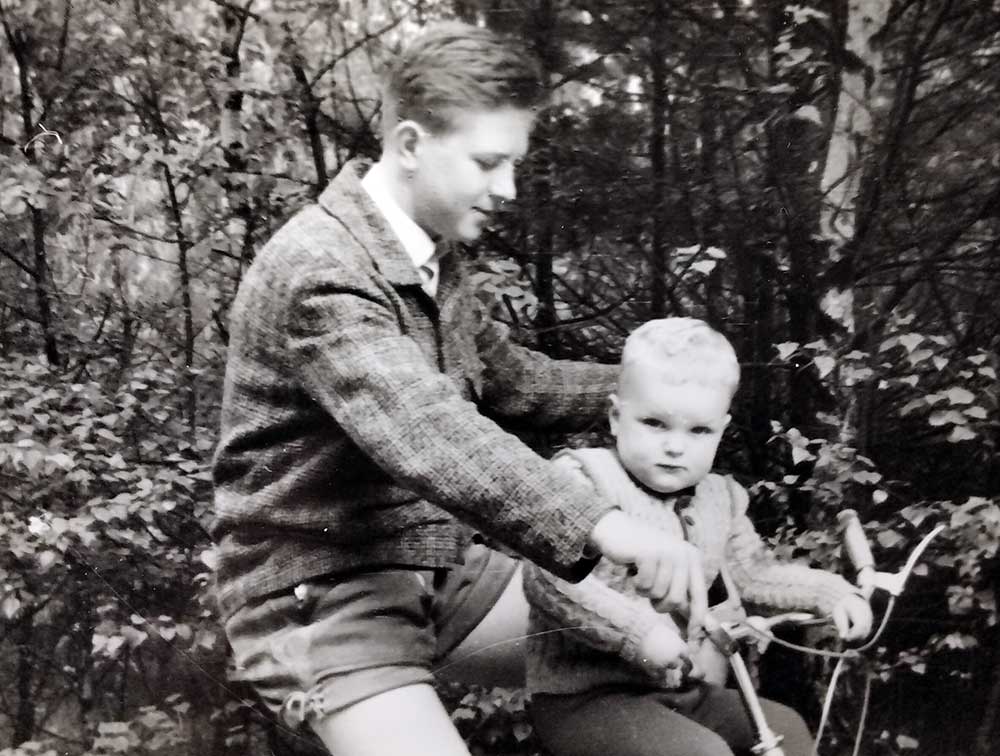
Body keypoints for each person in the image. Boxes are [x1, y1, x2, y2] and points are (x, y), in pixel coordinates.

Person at [210, 22, 707, 756]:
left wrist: (663, 395)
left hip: (438, 575)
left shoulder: (432, 256)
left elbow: (514, 381)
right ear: (410, 144)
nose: (506, 188)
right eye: (488, 163)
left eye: (514, 164)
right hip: (319, 594)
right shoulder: (323, 268)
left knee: (666, 647)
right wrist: (605, 523)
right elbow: (429, 431)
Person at [523, 317, 874, 756]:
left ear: (721, 431)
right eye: (655, 423)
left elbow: (753, 574)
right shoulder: (584, 478)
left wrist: (831, 595)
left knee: (787, 729)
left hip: (680, 693)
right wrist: (640, 632)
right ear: (616, 417)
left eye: (698, 431)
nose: (675, 446)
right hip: (585, 697)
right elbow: (546, 580)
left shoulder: (720, 497)